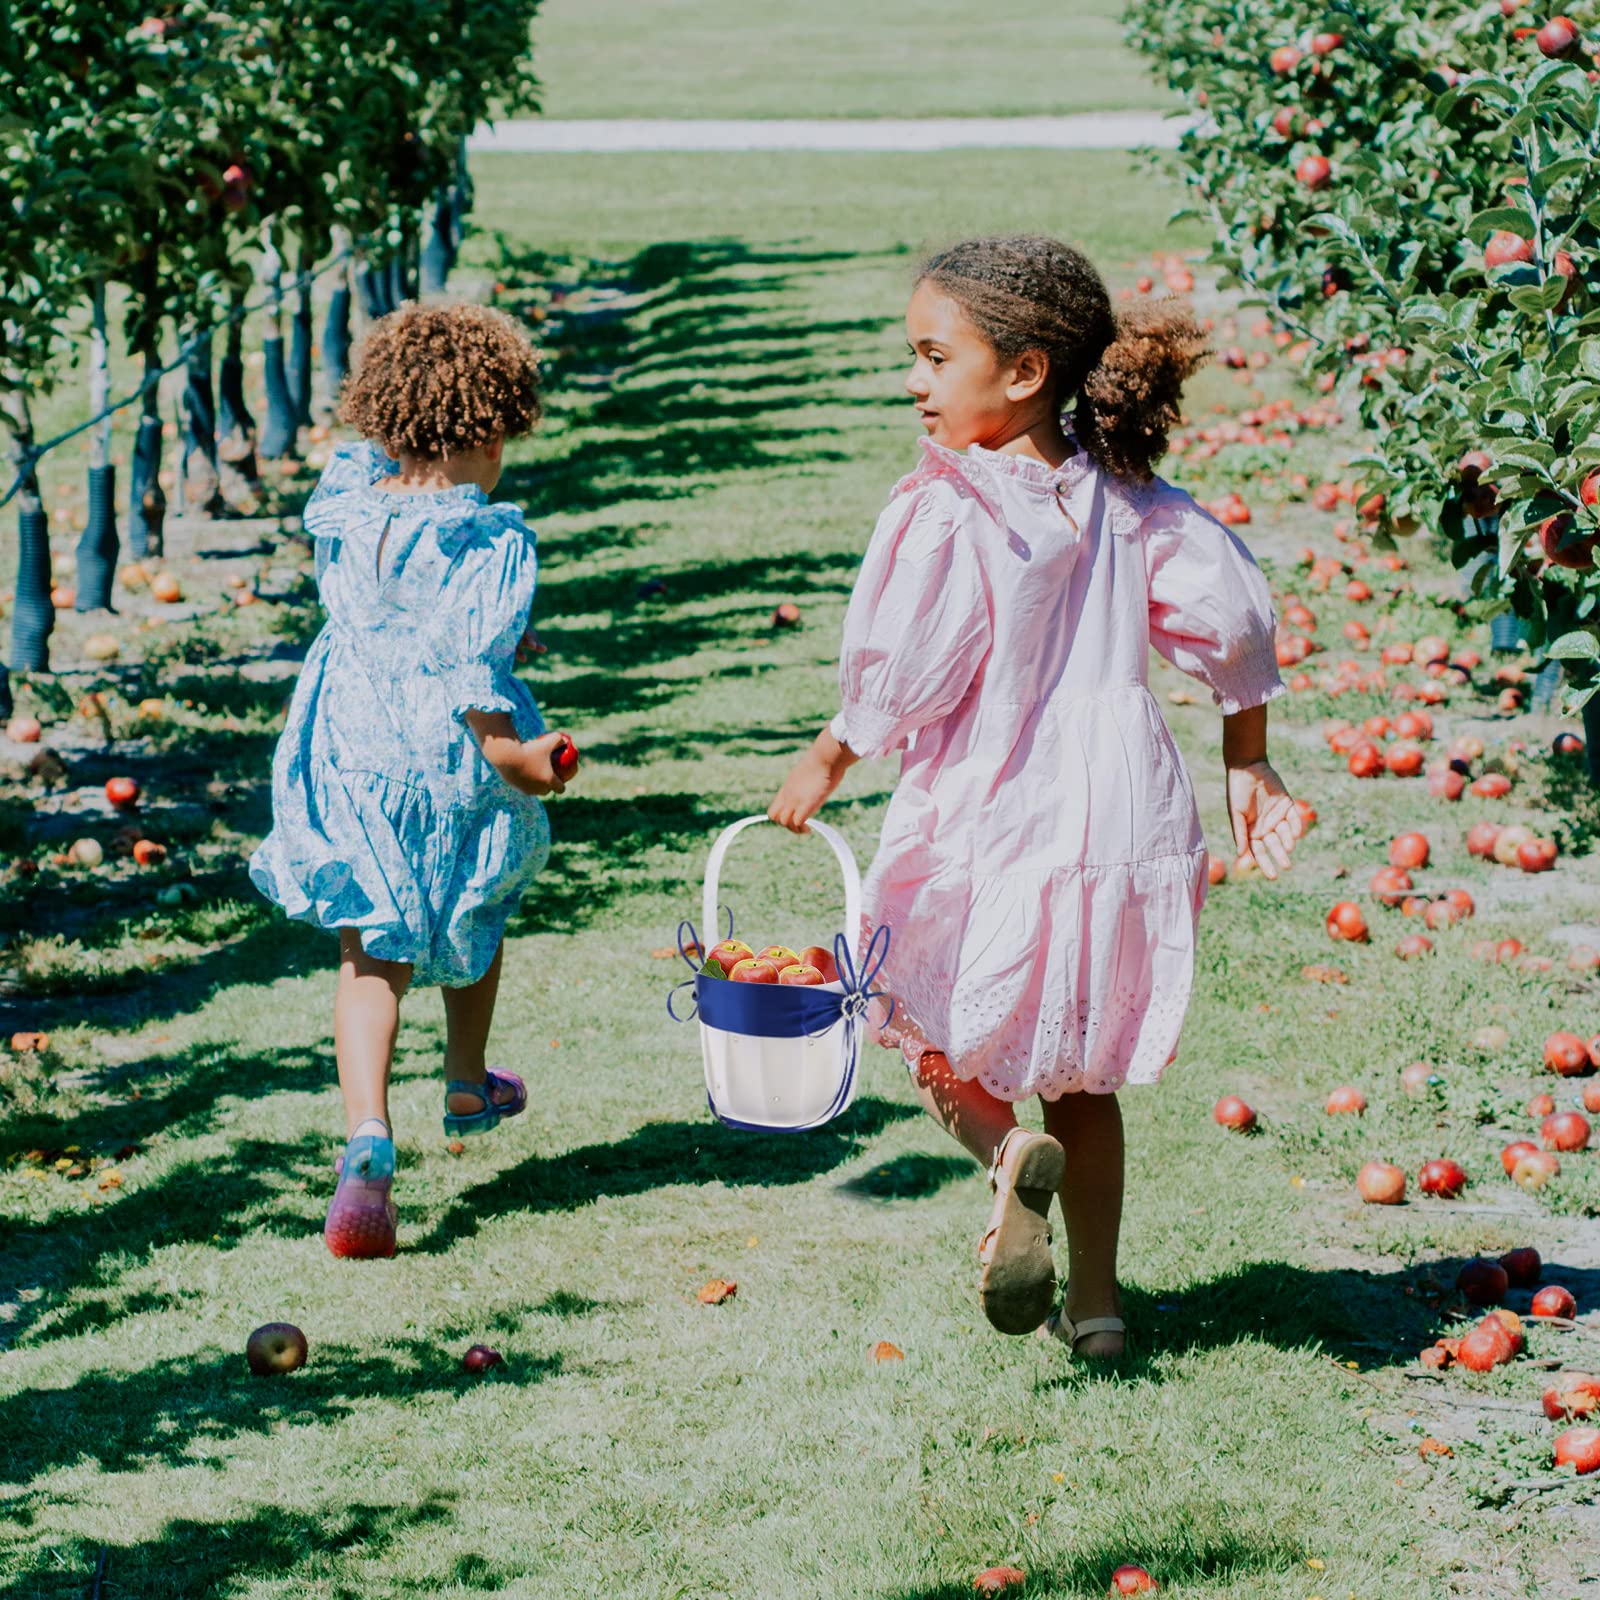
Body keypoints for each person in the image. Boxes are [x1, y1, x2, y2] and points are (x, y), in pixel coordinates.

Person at [769, 235, 1300, 1356]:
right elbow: (1234, 619)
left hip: (988, 799)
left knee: (906, 1004)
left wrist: (834, 749)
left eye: (930, 355)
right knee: (1083, 1070)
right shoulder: (1133, 496)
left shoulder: (955, 501)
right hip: (1117, 812)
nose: (912, 379)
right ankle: (1099, 1310)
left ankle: (1005, 1155)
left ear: (1023, 372)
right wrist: (1246, 756)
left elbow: (912, 661)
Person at [250, 300, 577, 1260]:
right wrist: (521, 755)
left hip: (349, 749)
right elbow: (475, 677)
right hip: (447, 753)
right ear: (491, 427)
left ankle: (367, 1133)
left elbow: (370, 490)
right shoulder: (489, 541)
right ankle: (467, 1079)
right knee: (479, 899)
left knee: (372, 948)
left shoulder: (348, 501)